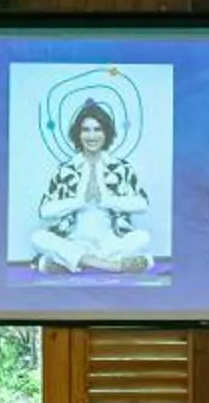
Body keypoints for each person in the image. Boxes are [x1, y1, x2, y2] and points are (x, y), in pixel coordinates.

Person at [32, 98, 153, 273]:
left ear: (106, 133)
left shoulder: (121, 168)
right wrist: (79, 201)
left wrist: (107, 200)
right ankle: (110, 265)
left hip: (110, 241)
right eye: (86, 130)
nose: (91, 136)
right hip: (73, 240)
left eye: (97, 130)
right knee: (38, 237)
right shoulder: (66, 170)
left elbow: (142, 204)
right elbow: (44, 211)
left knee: (143, 238)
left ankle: (73, 262)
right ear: (78, 134)